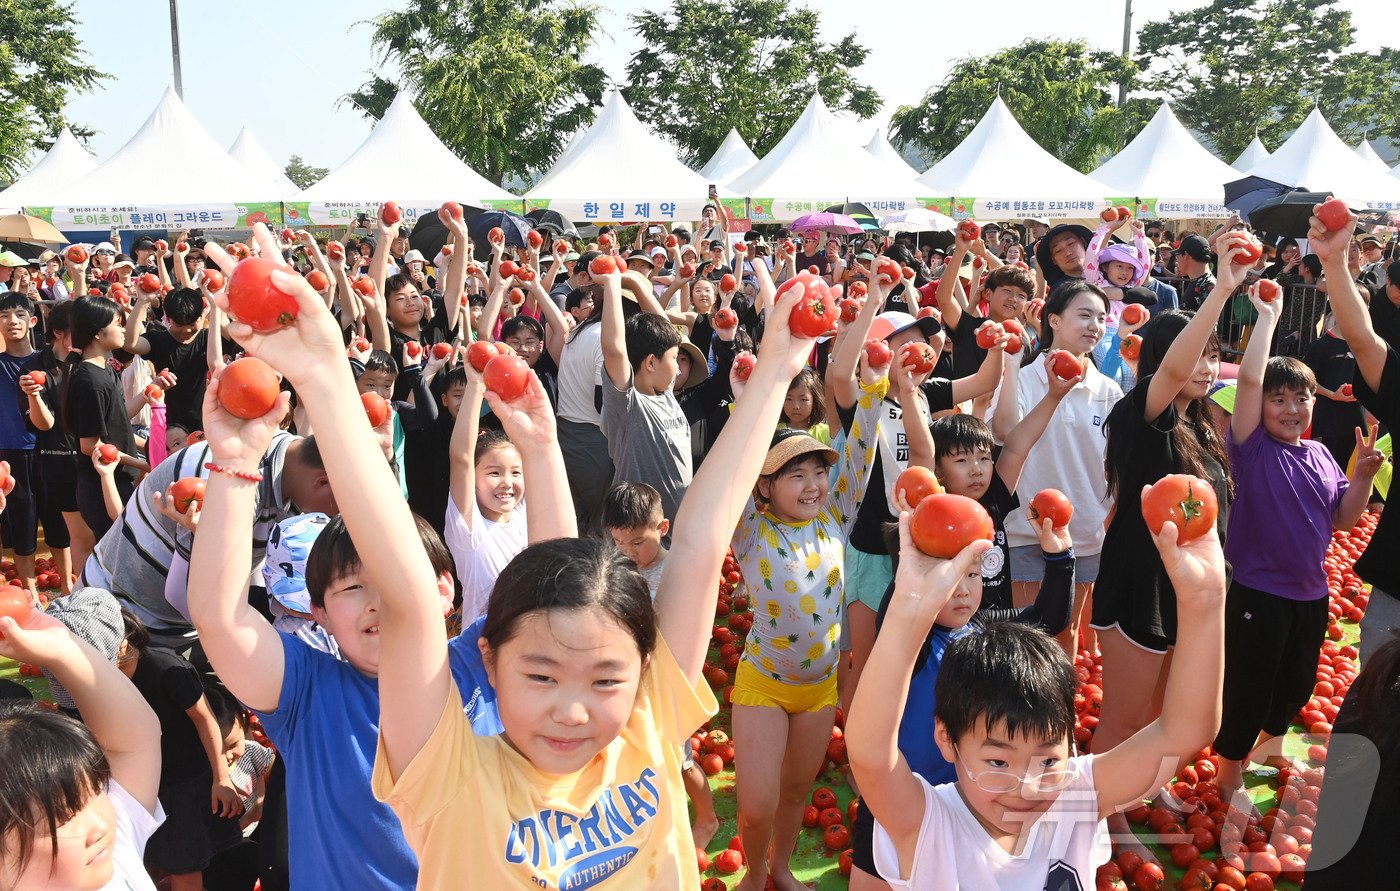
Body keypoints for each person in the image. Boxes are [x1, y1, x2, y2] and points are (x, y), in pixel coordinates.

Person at [208, 216, 811, 886]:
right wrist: (322, 376)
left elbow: (698, 541)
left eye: (606, 679)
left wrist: (776, 372)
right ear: (489, 661)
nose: (572, 709)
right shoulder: (452, 775)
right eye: (542, 676)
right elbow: (408, 597)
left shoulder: (647, 717)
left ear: (643, 668)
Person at [847, 505, 1226, 890]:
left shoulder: (1074, 799)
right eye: (998, 761)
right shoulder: (931, 828)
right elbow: (871, 754)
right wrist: (908, 607)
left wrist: (1205, 601)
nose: (1026, 788)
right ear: (947, 738)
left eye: (1047, 761)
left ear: (1069, 740)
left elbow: (1186, 730)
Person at [1087, 233, 1252, 866]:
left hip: (1187, 589)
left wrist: (1261, 316)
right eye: (1196, 355)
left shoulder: (1203, 428)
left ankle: (1141, 787)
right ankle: (1104, 816)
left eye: (1214, 356)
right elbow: (1174, 374)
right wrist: (1222, 291)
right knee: (1125, 716)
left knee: (1165, 712)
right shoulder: (1143, 414)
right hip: (1140, 584)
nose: (1207, 368)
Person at [1211, 283, 1381, 804]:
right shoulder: (1251, 449)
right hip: (1257, 593)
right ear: (1259, 406)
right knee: (1249, 684)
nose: (1291, 409)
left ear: (1314, 402)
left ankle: (1270, 745)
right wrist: (1268, 317)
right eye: (1278, 399)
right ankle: (1229, 770)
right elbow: (1249, 381)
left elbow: (1344, 520)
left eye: (1301, 398)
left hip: (1311, 593)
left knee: (1296, 685)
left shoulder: (1322, 455)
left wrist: (1363, 478)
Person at [726, 344, 886, 891]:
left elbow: (859, 453)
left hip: (819, 690)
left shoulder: (836, 517)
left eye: (818, 471)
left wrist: (874, 389)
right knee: (756, 803)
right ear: (765, 486)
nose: (814, 484)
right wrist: (746, 402)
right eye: (796, 475)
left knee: (795, 792)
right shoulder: (751, 531)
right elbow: (735, 468)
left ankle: (781, 868)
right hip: (764, 685)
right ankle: (753, 873)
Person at [992, 281, 1123, 657]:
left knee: (1067, 635)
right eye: (1084, 315)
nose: (1094, 326)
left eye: (1101, 318)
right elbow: (1004, 433)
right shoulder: (1022, 378)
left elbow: (1115, 466)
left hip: (1083, 534)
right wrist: (1011, 367)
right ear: (1054, 320)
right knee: (1026, 639)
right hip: (1025, 531)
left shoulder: (1108, 391)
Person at [0, 605, 163, 890]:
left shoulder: (116, 855)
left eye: (97, 790)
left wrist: (63, 648)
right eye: (63, 817)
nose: (100, 825)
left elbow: (136, 741)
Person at [118, 612, 242, 890]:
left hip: (182, 780)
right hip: (139, 781)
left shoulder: (166, 668)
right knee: (151, 858)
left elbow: (205, 718)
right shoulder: (99, 676)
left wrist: (221, 778)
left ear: (122, 645)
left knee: (184, 865)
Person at [599, 268, 694, 530]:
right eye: (674, 359)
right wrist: (611, 283)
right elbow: (614, 351)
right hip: (640, 534)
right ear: (651, 363)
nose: (678, 369)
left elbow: (666, 334)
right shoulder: (629, 404)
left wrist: (635, 283)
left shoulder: (665, 392)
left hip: (676, 529)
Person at [445, 361, 528, 622]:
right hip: (481, 643)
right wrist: (475, 385)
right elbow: (461, 457)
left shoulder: (525, 514)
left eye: (515, 472)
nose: (507, 482)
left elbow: (536, 448)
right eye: (494, 473)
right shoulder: (468, 530)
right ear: (473, 479)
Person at [0, 291, 70, 594]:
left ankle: (68, 586)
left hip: (50, 450)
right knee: (21, 526)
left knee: (58, 522)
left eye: (18, 315)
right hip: (10, 454)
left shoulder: (49, 360)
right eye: (4, 316)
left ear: (31, 321)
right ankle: (30, 595)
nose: (11, 321)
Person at [62, 296, 149, 539]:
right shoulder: (91, 382)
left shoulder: (106, 370)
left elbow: (117, 426)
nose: (124, 330)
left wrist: (152, 448)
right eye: (118, 324)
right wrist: (143, 463)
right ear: (98, 333)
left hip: (117, 480)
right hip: (102, 487)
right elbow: (91, 445)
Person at [17, 301, 86, 585]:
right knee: (63, 530)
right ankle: (72, 587)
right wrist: (34, 395)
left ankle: (84, 586)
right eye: (79, 329)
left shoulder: (87, 364)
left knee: (90, 532)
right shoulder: (34, 368)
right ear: (58, 332)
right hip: (55, 460)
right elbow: (43, 424)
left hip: (90, 459)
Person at [1304, 308, 1367, 468]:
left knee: (1343, 468)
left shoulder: (1365, 344)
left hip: (1355, 418)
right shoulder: (1320, 345)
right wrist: (1332, 395)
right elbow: (1305, 381)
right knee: (1324, 467)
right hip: (1327, 419)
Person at [1032, 223, 1092, 288]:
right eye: (1058, 250)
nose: (1068, 253)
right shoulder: (1062, 290)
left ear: (1083, 242)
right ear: (1053, 260)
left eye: (1070, 243)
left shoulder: (1100, 273)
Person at [1174, 235, 1216, 311]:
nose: (1176, 262)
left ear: (1185, 255)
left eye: (1177, 255)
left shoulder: (1208, 285)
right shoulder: (1200, 281)